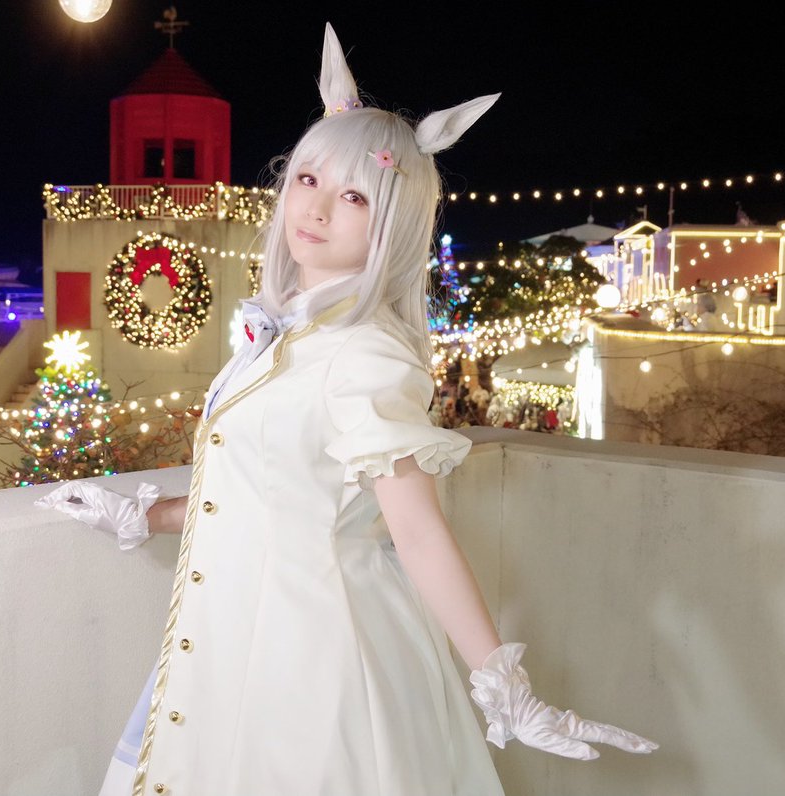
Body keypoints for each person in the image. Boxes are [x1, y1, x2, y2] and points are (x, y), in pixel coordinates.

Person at [37, 23, 656, 796]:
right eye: (307, 179)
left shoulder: (365, 354)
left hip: (312, 668)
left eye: (355, 196)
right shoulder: (284, 332)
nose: (318, 208)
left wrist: (505, 686)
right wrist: (142, 514)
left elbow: (417, 533)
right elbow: (267, 493)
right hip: (232, 644)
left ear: (393, 225)